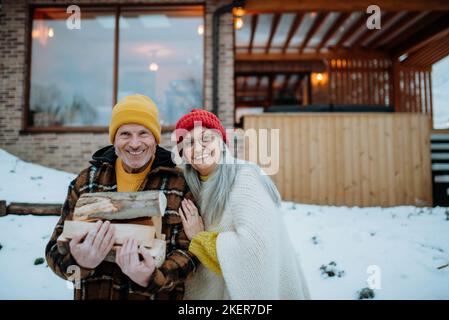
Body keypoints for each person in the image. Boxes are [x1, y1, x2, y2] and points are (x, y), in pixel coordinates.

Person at [45, 94, 199, 300]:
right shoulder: (87, 182)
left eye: (143, 133)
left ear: (155, 139)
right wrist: (79, 263)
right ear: (114, 139)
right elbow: (54, 250)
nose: (134, 144)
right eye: (125, 134)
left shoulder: (179, 184)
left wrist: (153, 276)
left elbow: (191, 252)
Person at [175, 109, 311, 299]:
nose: (198, 148)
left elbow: (255, 250)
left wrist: (199, 237)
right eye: (189, 143)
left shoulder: (244, 179)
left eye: (206, 138)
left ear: (221, 143)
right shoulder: (192, 188)